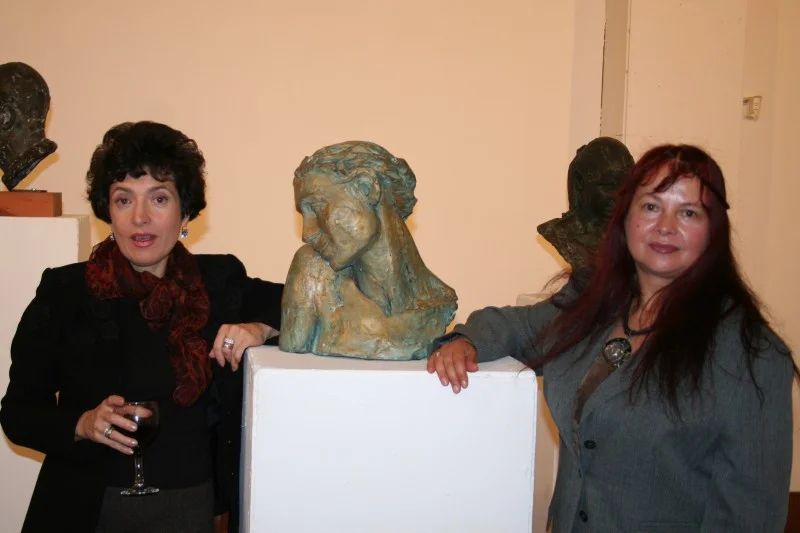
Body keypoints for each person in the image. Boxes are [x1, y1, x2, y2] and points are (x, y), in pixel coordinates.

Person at [427, 144, 796, 532]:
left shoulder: (751, 355)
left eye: (688, 212)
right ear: (625, 217)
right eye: (651, 206)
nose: (666, 226)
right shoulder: (593, 302)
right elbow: (517, 326)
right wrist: (465, 341)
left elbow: (747, 518)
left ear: (713, 230)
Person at [0, 121, 283, 532]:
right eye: (123, 199)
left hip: (191, 510)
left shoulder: (221, 281)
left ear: (186, 210)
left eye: (159, 198)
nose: (140, 217)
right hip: (86, 511)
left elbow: (308, 301)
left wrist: (261, 327)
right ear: (108, 210)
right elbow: (18, 414)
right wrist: (81, 423)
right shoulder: (65, 292)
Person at [280, 140, 457, 360]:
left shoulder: (439, 303)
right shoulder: (314, 276)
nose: (307, 233)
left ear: (366, 187)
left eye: (317, 206)